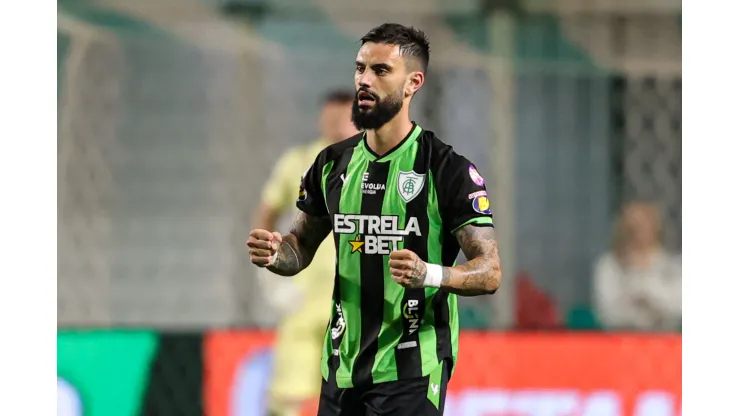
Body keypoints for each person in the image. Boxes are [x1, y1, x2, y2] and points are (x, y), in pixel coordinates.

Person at [247, 23, 502, 416]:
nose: (364, 80)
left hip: (412, 366)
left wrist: (430, 275)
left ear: (413, 83)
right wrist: (276, 255)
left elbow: (489, 272)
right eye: (360, 68)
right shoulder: (331, 165)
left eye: (380, 71)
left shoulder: (445, 170)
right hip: (341, 366)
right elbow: (300, 248)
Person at [252, 89, 357, 416]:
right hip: (303, 299)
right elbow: (266, 214)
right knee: (288, 398)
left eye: (345, 114)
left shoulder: (374, 162)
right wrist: (267, 279)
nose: (337, 122)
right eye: (331, 115)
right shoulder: (299, 161)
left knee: (353, 391)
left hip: (354, 299)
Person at [593, 201, 682, 331]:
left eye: (644, 225)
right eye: (632, 227)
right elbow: (608, 314)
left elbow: (676, 308)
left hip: (664, 342)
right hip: (620, 341)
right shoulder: (608, 265)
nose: (638, 232)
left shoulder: (672, 264)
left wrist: (646, 286)